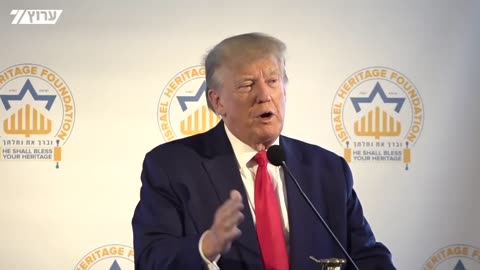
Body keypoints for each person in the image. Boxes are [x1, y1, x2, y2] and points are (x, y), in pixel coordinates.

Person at [132, 32, 396, 270]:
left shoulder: (327, 169)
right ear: (218, 101)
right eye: (247, 85)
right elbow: (151, 259)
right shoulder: (171, 167)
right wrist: (206, 246)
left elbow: (365, 257)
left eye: (272, 80)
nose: (264, 95)